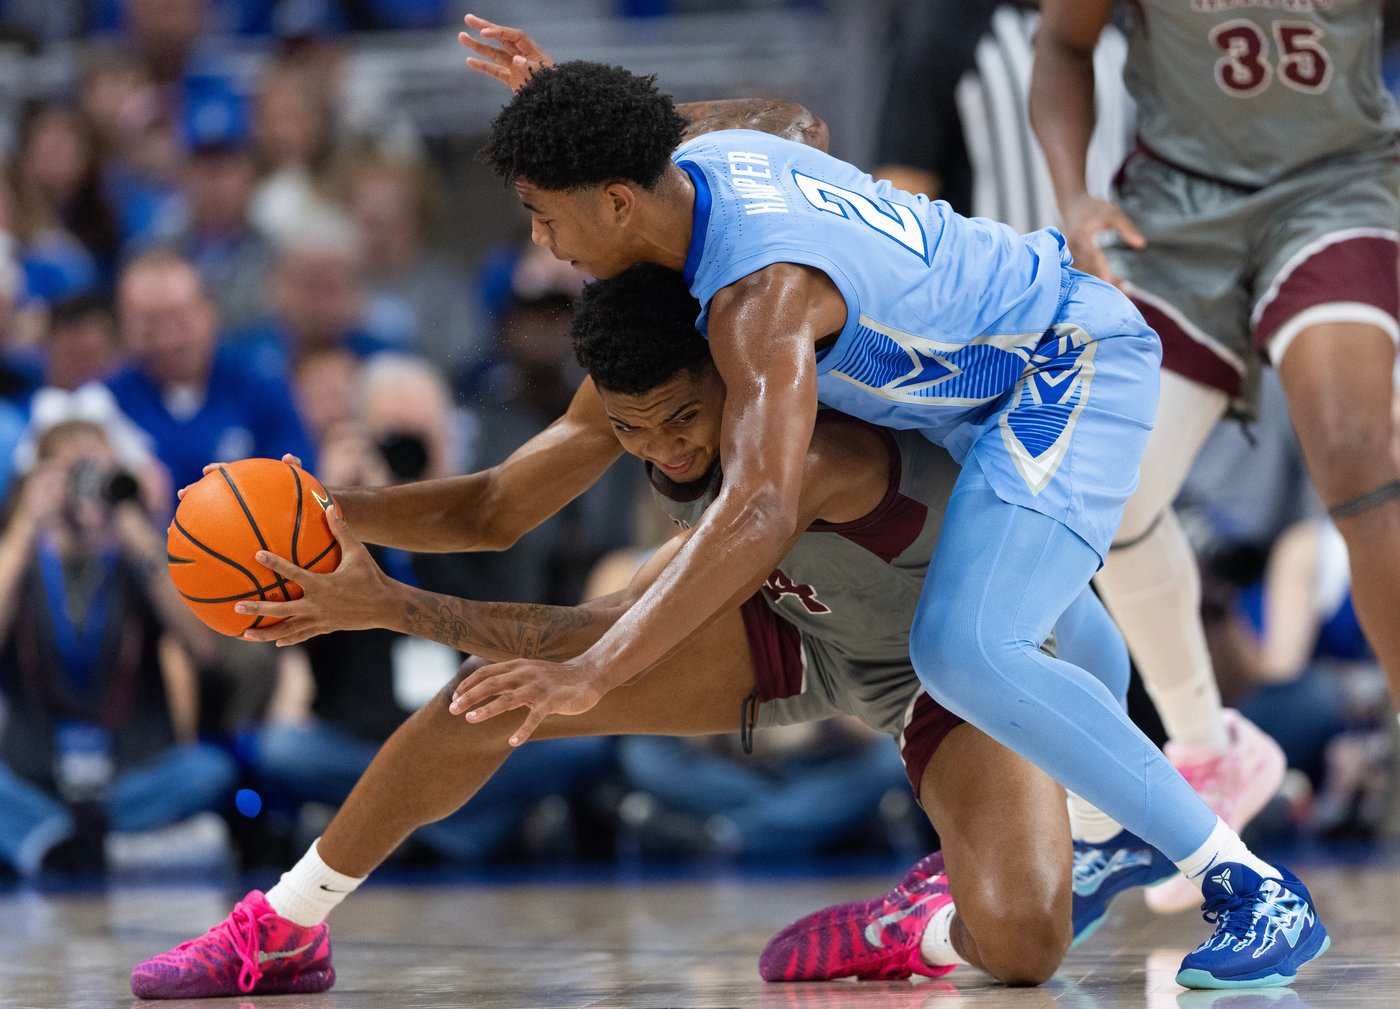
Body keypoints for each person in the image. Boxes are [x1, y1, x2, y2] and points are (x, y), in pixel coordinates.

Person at [450, 17, 1326, 990]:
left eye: (544, 211)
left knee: (964, 649)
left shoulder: (757, 298)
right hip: (981, 396)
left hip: (1058, 365)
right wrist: (588, 113)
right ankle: (1105, 832)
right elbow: (798, 119)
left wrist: (599, 667)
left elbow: (756, 510)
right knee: (1051, 627)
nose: (540, 240)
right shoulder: (717, 155)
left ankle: (1246, 886)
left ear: (616, 203)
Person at [129, 260, 1134, 997]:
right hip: (791, 617)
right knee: (486, 697)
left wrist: (394, 605)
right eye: (632, 430)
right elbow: (489, 508)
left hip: (948, 661)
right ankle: (284, 924)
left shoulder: (806, 445)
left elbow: (610, 629)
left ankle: (919, 926)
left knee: (1023, 947)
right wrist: (320, 512)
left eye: (679, 421)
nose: (661, 448)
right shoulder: (632, 383)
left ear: (731, 377)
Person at [1031, 0, 1400, 912]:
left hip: (1338, 186)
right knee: (1106, 494)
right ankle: (1209, 748)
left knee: (1353, 444)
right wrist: (1074, 196)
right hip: (1177, 207)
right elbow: (1061, 45)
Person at [0, 419, 232, 877]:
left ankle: (55, 845)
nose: (88, 486)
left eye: (100, 470)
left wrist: (136, 527)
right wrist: (27, 520)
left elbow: (205, 647)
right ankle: (109, 847)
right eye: (75, 471)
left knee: (211, 769)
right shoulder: (21, 561)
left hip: (131, 772)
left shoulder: (136, 560)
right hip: (37, 771)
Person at [106, 250, 315, 495]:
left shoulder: (262, 387)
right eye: (149, 325)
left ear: (208, 311)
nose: (167, 338)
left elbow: (298, 483)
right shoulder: (104, 403)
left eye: (179, 319)